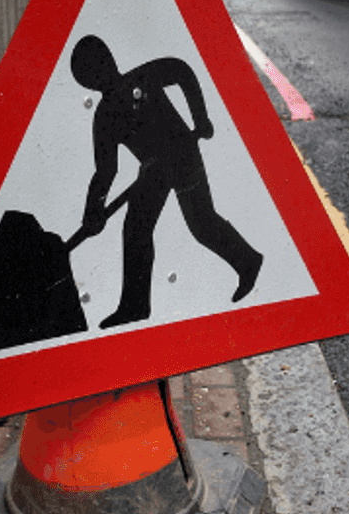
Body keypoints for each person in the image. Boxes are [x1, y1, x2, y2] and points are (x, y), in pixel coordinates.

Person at [67, 34, 262, 328]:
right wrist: (93, 211)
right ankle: (135, 305)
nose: (100, 77)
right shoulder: (105, 115)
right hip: (152, 171)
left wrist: (200, 117)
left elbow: (182, 70)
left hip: (182, 153)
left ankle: (248, 261)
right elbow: (105, 171)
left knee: (202, 224)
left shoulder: (142, 78)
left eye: (99, 67)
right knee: (135, 230)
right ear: (87, 84)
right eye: (91, 75)